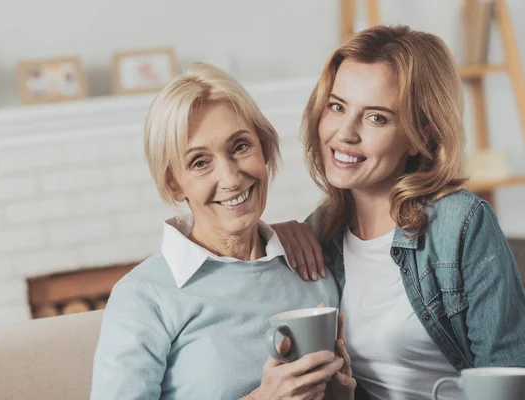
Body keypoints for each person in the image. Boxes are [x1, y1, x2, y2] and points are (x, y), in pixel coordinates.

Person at [274, 25, 525, 400]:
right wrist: (267, 239)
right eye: (337, 106)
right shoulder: (321, 232)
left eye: (376, 117)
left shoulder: (460, 223)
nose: (345, 133)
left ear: (418, 134)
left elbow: (506, 374)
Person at [90, 62, 353, 400]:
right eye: (200, 162)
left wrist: (344, 393)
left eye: (240, 147)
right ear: (173, 184)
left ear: (265, 147)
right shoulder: (144, 296)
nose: (230, 178)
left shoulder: (311, 264)